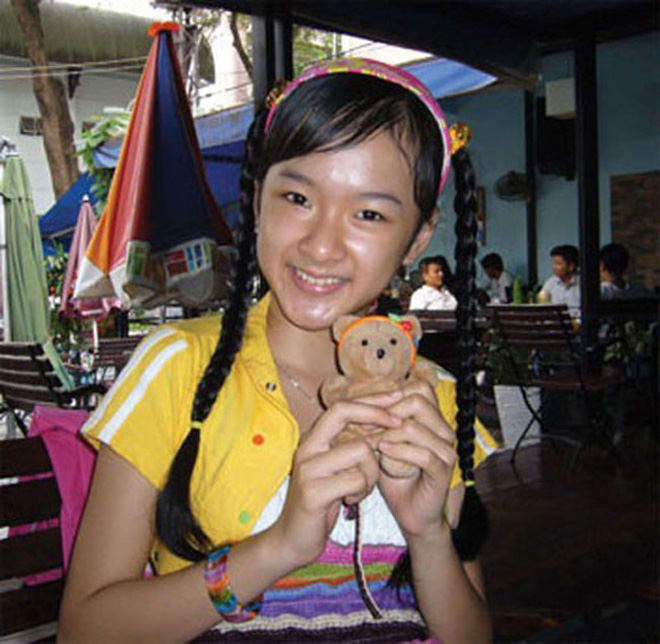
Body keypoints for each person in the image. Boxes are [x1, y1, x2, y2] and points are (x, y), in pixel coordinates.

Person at [58, 58, 496, 643]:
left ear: (417, 237)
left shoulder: (433, 398)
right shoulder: (178, 368)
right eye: (297, 197)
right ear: (258, 200)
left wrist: (428, 534)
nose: (321, 245)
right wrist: (280, 546)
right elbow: (84, 631)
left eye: (369, 213)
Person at [540, 244, 581, 314]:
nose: (554, 267)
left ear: (571, 266)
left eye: (558, 264)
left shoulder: (582, 283)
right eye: (554, 263)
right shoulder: (551, 283)